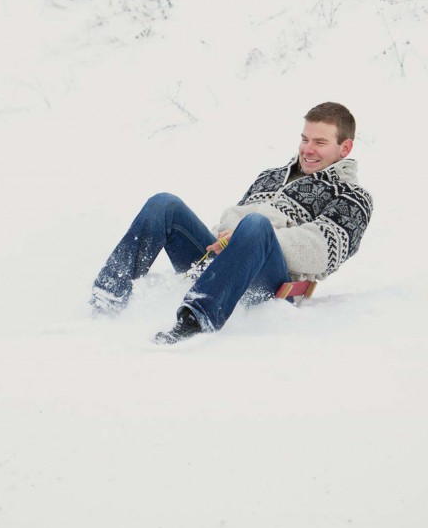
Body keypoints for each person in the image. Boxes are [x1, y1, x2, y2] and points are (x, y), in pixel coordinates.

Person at [90, 102, 373, 345]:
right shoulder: (271, 176)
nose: (308, 149)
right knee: (164, 204)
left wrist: (254, 230)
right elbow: (231, 216)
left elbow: (320, 252)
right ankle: (108, 298)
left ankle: (196, 320)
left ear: (344, 147)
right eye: (305, 139)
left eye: (320, 142)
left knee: (256, 224)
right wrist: (235, 234)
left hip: (271, 284)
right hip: (222, 262)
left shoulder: (352, 197)